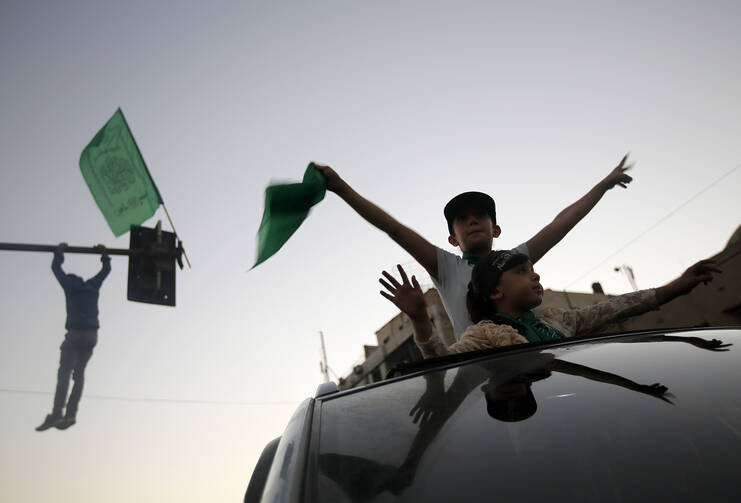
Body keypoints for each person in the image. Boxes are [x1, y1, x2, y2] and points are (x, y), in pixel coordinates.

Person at [315, 155, 633, 339]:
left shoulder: (514, 260)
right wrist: (341, 187)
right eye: (462, 220)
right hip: (478, 374)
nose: (473, 221)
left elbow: (561, 223)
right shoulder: (446, 267)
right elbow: (393, 228)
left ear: (495, 228)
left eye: (481, 215)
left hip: (532, 360)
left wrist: (602, 185)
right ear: (453, 239)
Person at [379, 251, 721, 358]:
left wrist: (679, 285)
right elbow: (444, 364)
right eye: (521, 272)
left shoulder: (559, 320)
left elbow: (621, 306)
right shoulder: (483, 336)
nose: (535, 277)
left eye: (534, 271)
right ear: (495, 292)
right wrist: (421, 319)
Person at [36, 243, 111, 431]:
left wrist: (59, 251)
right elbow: (106, 269)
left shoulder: (69, 286)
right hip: (92, 336)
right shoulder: (92, 286)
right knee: (79, 375)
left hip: (75, 334)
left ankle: (57, 413)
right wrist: (104, 253)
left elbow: (56, 268)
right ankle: (71, 414)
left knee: (64, 373)